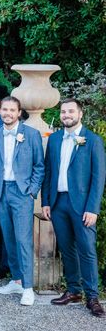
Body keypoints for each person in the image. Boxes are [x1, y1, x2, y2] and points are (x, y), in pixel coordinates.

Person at [42, 98, 106, 317]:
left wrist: (93, 208)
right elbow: (48, 172)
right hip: (58, 202)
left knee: (87, 250)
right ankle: (73, 290)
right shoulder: (55, 139)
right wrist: (46, 202)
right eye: (63, 111)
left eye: (70, 111)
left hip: (82, 206)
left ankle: (93, 297)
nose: (66, 115)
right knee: (67, 248)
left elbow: (98, 178)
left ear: (80, 114)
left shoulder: (92, 140)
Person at [0, 97, 44, 306]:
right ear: (0, 111)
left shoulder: (32, 134)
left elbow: (39, 166)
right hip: (1, 193)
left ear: (19, 113)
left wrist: (31, 191)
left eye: (12, 110)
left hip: (21, 193)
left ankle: (28, 288)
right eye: (5, 109)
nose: (8, 113)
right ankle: (17, 280)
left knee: (23, 240)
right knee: (9, 239)